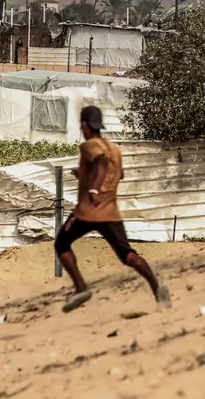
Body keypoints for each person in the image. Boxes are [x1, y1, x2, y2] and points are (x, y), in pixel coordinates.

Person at [54, 106, 171, 313]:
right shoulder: (115, 149)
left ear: (83, 125)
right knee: (127, 255)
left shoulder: (89, 146)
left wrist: (93, 187)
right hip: (110, 212)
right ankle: (156, 286)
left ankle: (81, 287)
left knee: (62, 243)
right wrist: (84, 174)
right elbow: (117, 173)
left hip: (88, 211)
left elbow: (100, 163)